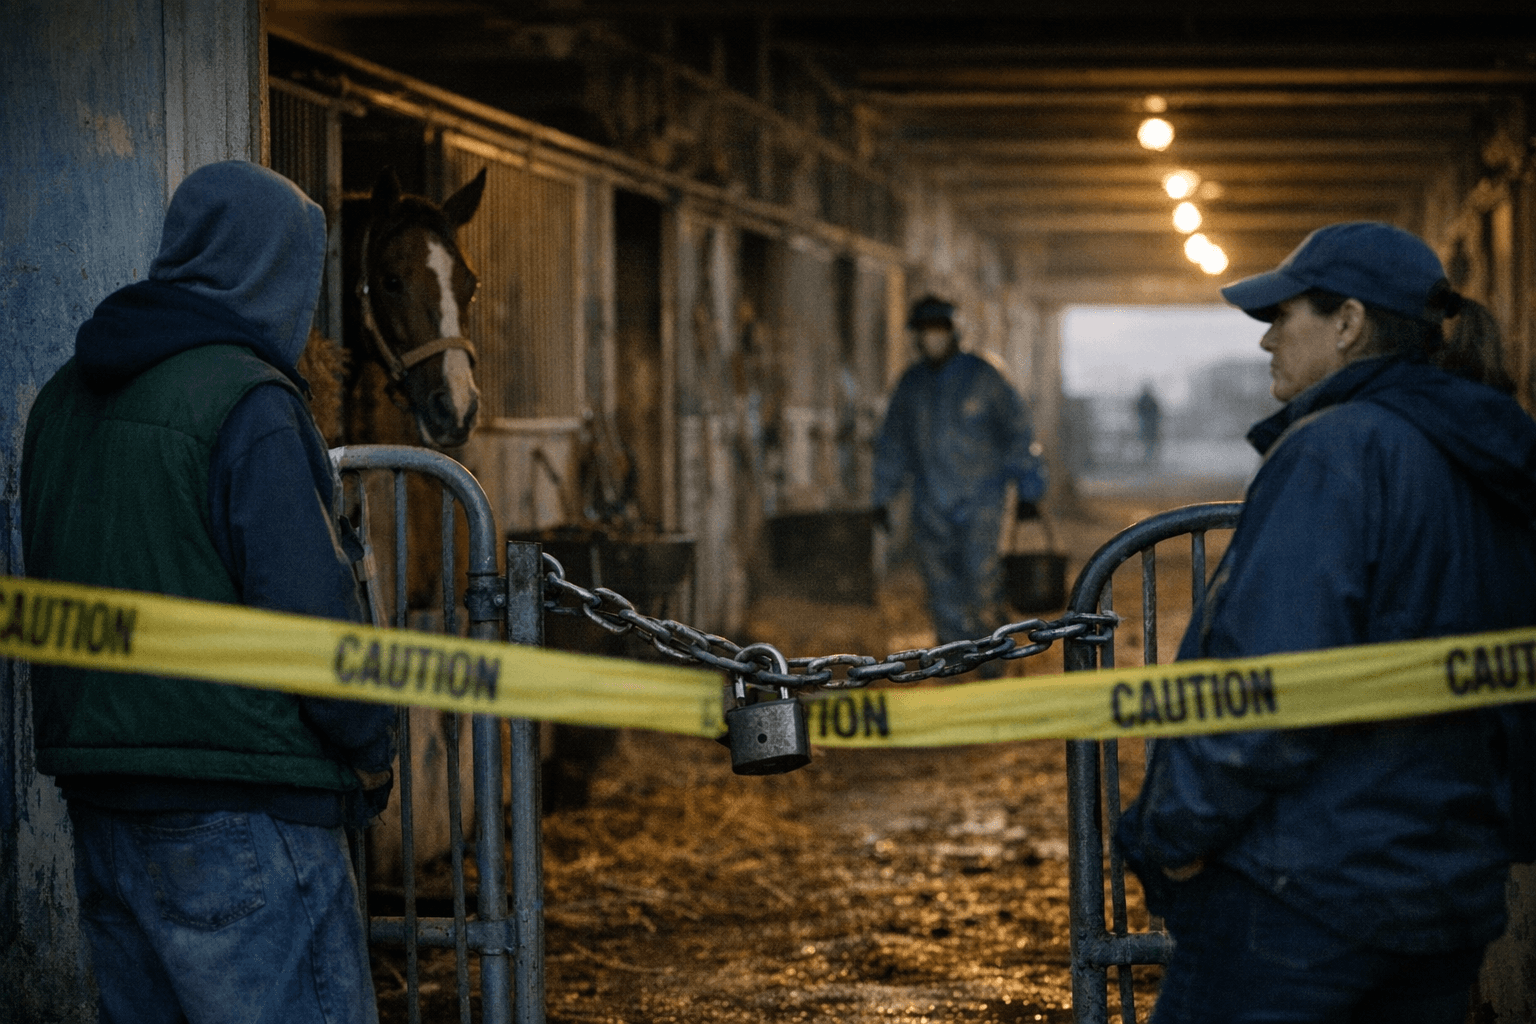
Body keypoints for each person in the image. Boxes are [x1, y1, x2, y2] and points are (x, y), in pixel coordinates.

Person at [1116, 221, 1536, 1023]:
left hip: (1303, 888)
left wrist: (1167, 836)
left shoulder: (1339, 450)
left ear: (1347, 323)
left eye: (1284, 316)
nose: (1268, 341)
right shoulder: (1491, 455)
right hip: (1446, 886)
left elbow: (1264, 688)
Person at [21, 161, 396, 1023]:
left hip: (104, 806)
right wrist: (372, 742)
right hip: (245, 811)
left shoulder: (60, 404)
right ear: (272, 274)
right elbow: (313, 624)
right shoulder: (251, 403)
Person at [872, 295, 1047, 667]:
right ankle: (954, 663)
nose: (931, 338)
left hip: (982, 501)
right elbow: (894, 443)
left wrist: (1030, 488)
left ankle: (992, 664)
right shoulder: (912, 385)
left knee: (982, 581)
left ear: (953, 332)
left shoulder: (984, 377)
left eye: (938, 329)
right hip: (929, 503)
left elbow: (1017, 429)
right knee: (940, 587)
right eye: (924, 331)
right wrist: (881, 498)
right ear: (917, 337)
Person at [1134, 382, 1162, 466]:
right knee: (1148, 443)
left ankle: (1148, 460)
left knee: (1148, 443)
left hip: (1149, 425)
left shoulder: (1145, 400)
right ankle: (1148, 460)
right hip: (1148, 424)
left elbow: (1157, 412)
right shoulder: (1146, 400)